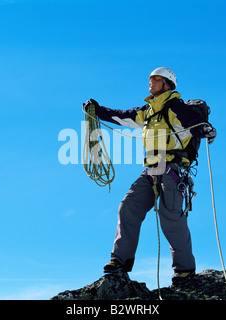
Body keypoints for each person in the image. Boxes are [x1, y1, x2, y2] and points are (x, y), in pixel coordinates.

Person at [86, 67, 216, 285]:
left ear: (167, 84)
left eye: (156, 79)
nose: (151, 81)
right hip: (151, 170)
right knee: (128, 206)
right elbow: (121, 116)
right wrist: (97, 111)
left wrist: (206, 130)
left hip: (173, 170)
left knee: (171, 218)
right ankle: (119, 261)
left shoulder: (176, 108)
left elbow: (192, 122)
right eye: (150, 78)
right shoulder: (147, 112)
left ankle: (184, 270)